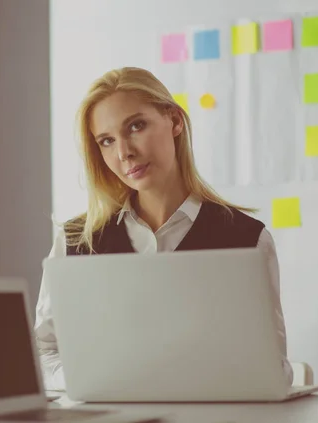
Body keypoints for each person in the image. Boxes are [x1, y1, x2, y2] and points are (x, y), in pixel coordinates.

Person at [34, 66, 293, 391]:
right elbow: (43, 352)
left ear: (174, 120)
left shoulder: (247, 239)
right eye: (106, 140)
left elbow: (273, 369)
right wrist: (97, 380)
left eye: (136, 126)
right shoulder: (74, 241)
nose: (124, 152)